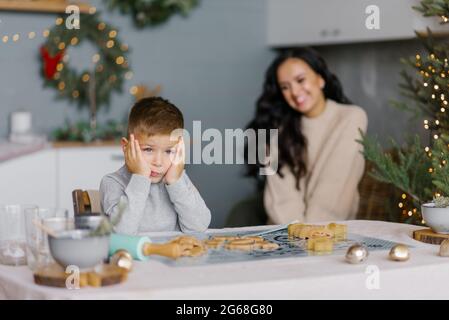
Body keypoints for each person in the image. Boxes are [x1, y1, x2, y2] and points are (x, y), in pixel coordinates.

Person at [246, 48, 368, 224]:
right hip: (284, 234)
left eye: (300, 80)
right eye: (285, 87)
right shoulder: (277, 128)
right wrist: (297, 237)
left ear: (320, 78)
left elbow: (334, 187)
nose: (294, 92)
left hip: (328, 234)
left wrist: (312, 238)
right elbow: (282, 197)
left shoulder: (351, 118)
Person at [100, 97, 211, 235]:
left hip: (173, 255)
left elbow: (199, 226)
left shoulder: (176, 178)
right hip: (132, 256)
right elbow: (122, 233)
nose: (158, 162)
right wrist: (140, 178)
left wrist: (176, 182)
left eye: (169, 151)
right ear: (126, 147)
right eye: (148, 149)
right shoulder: (112, 183)